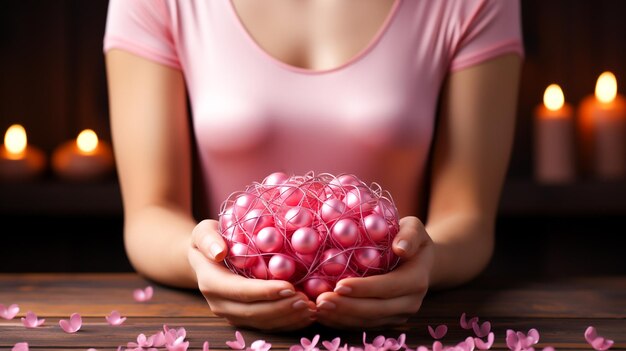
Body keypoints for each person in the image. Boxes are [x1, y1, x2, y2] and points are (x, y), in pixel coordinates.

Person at [103, 0, 524, 331]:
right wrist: (198, 259)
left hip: (394, 322)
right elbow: (149, 214)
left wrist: (427, 262)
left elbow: (468, 219)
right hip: (235, 331)